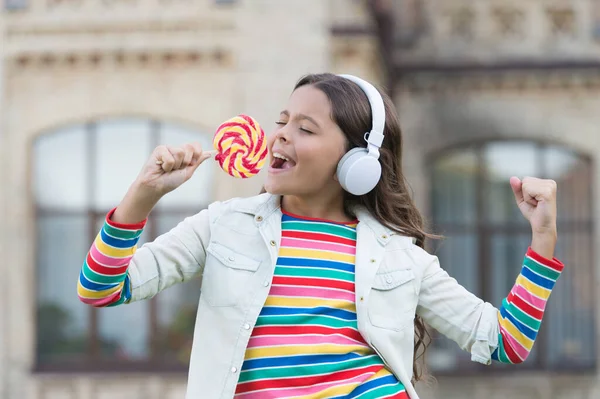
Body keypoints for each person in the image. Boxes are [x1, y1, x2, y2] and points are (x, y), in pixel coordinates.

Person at [77, 73, 563, 399]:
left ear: (356, 164)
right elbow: (100, 288)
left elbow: (504, 342)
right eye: (282, 122)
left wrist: (542, 240)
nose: (282, 135)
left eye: (306, 129)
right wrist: (142, 195)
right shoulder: (224, 224)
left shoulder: (398, 257)